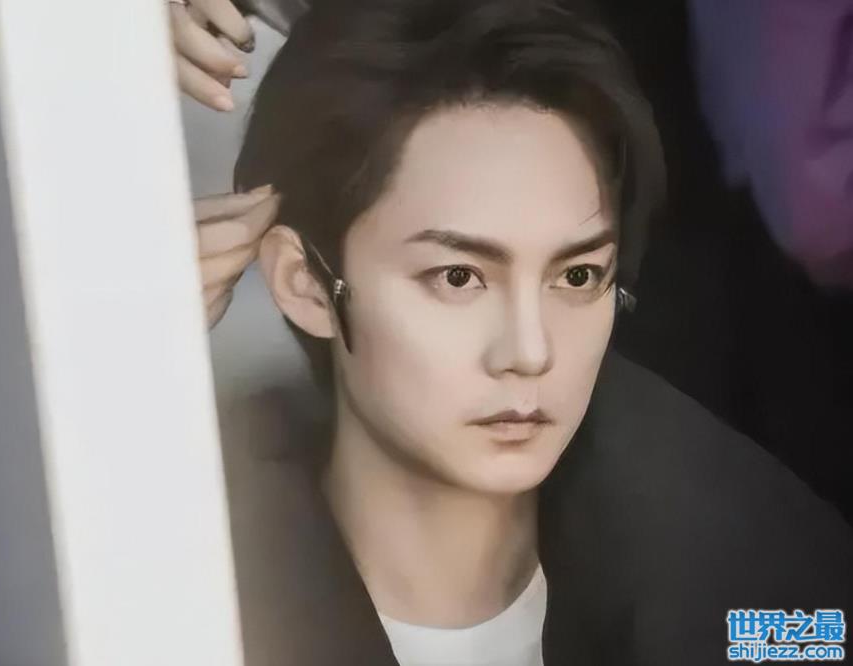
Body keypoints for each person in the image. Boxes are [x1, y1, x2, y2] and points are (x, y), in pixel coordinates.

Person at [186, 1, 853, 664]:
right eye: (458, 278)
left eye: (577, 276)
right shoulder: (167, 600)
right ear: (306, 283)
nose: (531, 352)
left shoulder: (772, 604)